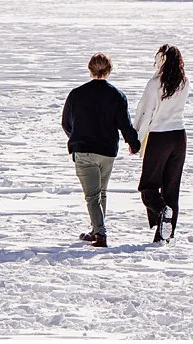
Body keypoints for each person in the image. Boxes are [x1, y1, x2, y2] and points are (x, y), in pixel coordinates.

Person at [60, 53, 139, 248]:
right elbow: (125, 125)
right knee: (101, 193)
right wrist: (133, 142)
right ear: (109, 70)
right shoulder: (117, 96)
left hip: (85, 151)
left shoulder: (77, 94)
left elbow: (65, 123)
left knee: (92, 195)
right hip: (107, 152)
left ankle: (100, 233)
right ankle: (96, 229)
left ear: (90, 69)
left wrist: (76, 137)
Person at [134, 44, 189, 242]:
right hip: (179, 137)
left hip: (159, 137)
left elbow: (146, 112)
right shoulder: (184, 82)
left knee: (148, 187)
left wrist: (137, 140)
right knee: (171, 189)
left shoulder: (155, 83)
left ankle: (162, 212)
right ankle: (165, 236)